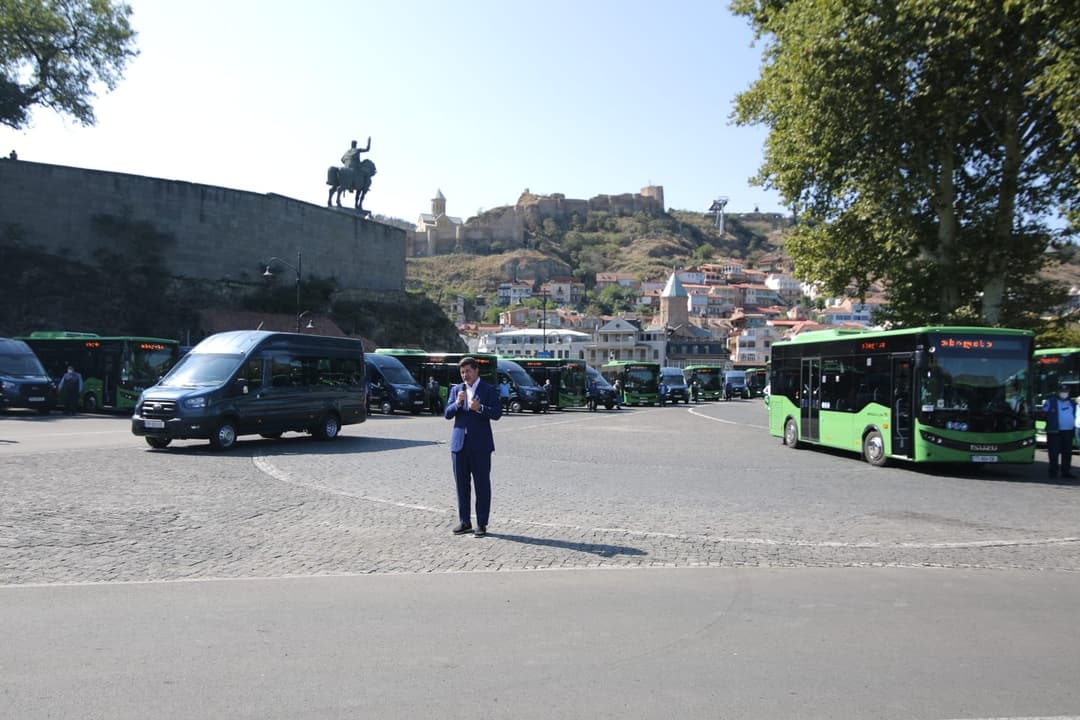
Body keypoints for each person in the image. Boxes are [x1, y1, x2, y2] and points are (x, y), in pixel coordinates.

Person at [445, 357, 501, 537]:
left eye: (468, 371)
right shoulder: (456, 390)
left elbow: (497, 413)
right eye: (462, 372)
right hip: (459, 445)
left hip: (480, 446)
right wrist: (457, 403)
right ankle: (465, 521)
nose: (465, 375)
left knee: (482, 485)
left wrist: (480, 408)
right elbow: (447, 413)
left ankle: (482, 524)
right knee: (461, 485)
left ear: (476, 370)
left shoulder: (488, 389)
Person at [1042, 383, 1076, 479]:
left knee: (1067, 453)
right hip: (1054, 432)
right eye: (1062, 391)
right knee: (1053, 453)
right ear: (1058, 392)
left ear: (1069, 392)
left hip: (1068, 432)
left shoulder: (1072, 403)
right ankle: (1053, 472)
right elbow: (1043, 413)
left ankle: (1066, 472)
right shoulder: (1050, 401)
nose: (1064, 393)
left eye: (1066, 391)